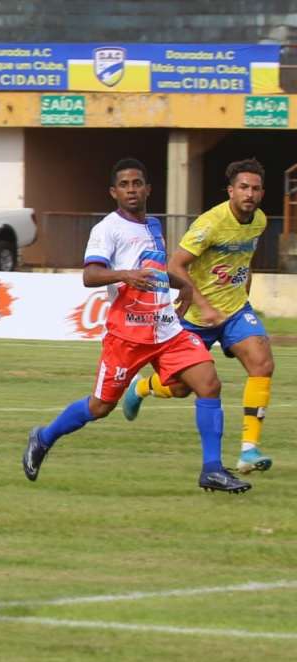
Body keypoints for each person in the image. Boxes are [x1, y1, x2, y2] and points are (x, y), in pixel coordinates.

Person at [22, 158, 251, 494]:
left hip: (166, 329)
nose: (132, 190)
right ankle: (43, 437)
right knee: (100, 407)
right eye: (125, 185)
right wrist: (125, 275)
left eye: (138, 183)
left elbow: (154, 269)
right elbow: (90, 275)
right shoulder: (107, 229)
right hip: (127, 335)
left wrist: (183, 285)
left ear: (148, 189)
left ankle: (212, 469)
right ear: (114, 192)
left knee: (208, 383)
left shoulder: (154, 225)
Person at [122, 159, 274, 475]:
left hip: (234, 310)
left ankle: (249, 450)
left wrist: (246, 288)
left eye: (256, 188)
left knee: (263, 363)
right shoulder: (210, 223)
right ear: (231, 191)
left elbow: (246, 256)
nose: (250, 194)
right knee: (181, 388)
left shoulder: (259, 220)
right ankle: (143, 387)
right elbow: (175, 265)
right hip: (195, 316)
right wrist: (203, 305)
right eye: (243, 187)